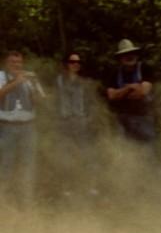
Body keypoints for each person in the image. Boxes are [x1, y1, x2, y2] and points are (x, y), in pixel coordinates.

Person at [0, 50, 45, 207]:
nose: (17, 65)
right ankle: (4, 203)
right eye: (13, 62)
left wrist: (33, 85)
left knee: (28, 166)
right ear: (7, 63)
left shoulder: (29, 78)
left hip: (28, 128)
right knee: (6, 165)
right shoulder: (1, 76)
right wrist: (16, 82)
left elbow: (41, 101)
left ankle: (26, 203)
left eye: (19, 62)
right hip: (7, 127)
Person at [56, 52, 98, 196]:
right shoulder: (58, 81)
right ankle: (67, 188)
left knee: (86, 155)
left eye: (78, 62)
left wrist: (89, 118)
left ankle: (90, 186)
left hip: (81, 122)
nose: (76, 64)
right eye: (72, 62)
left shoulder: (84, 82)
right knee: (65, 156)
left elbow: (91, 102)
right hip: (64, 122)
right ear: (66, 64)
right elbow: (51, 98)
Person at [106, 39, 156, 144]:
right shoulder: (114, 74)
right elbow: (111, 95)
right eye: (125, 54)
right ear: (120, 58)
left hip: (143, 117)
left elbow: (143, 92)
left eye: (131, 53)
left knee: (146, 151)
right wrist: (130, 88)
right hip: (122, 119)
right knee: (124, 151)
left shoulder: (145, 69)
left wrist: (121, 93)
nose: (129, 56)